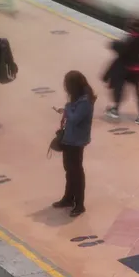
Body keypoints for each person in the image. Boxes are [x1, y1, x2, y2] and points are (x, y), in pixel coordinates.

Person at [52, 71, 96, 218]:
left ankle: (79, 204)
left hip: (76, 142)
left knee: (76, 172)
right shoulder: (79, 98)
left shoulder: (85, 101)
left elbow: (75, 117)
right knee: (69, 170)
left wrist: (66, 108)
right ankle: (68, 198)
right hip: (70, 139)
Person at [104, 19, 139, 126]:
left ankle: (115, 110)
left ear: (131, 28)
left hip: (126, 69)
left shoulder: (130, 39)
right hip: (138, 71)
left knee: (119, 87)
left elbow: (122, 51)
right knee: (138, 92)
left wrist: (114, 45)